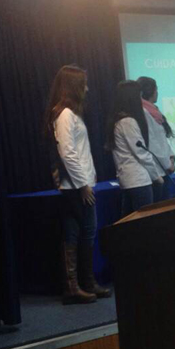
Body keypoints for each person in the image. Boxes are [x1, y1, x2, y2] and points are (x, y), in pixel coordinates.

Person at [43, 65, 111, 304]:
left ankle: (83, 283)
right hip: (74, 186)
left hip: (77, 183)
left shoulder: (71, 113)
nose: (87, 88)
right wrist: (83, 184)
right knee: (83, 232)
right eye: (83, 84)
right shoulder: (64, 115)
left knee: (79, 233)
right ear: (73, 87)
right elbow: (68, 152)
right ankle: (76, 285)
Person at [107, 80, 163, 216]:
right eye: (139, 95)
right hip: (138, 180)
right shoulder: (128, 122)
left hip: (129, 179)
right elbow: (141, 152)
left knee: (130, 221)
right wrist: (156, 176)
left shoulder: (118, 120)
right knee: (143, 221)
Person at [137, 76, 175, 202]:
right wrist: (168, 164)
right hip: (156, 170)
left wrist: (171, 156)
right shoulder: (143, 112)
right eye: (156, 89)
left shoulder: (155, 111)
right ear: (151, 91)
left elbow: (162, 139)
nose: (157, 92)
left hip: (164, 168)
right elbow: (152, 143)